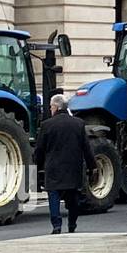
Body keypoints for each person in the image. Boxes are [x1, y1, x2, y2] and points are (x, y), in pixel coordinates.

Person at [34, 94, 96, 235]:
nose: (50, 109)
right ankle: (72, 223)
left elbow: (40, 149)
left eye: (51, 106)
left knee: (54, 197)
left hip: (53, 168)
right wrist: (93, 166)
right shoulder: (78, 123)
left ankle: (56, 225)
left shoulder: (46, 125)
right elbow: (86, 148)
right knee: (73, 197)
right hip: (73, 167)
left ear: (56, 107)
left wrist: (37, 166)